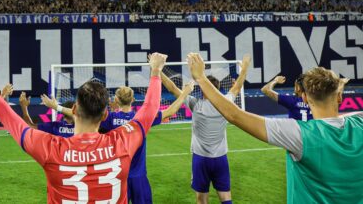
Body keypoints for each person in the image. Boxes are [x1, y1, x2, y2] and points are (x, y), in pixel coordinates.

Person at [0, 51, 192, 202]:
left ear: (75, 109)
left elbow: (11, 119)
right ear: (106, 113)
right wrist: (155, 71)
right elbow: (149, 109)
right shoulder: (123, 141)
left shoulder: (51, 148)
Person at [186, 53, 361, 204]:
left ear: (305, 98)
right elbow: (343, 119)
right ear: (340, 96)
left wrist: (201, 78)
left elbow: (235, 115)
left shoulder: (298, 134)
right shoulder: (359, 122)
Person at [160, 55, 251, 204]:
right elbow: (237, 86)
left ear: (203, 89)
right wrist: (245, 69)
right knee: (226, 197)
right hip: (221, 158)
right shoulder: (226, 103)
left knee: (201, 200)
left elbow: (172, 88)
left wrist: (158, 71)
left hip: (201, 159)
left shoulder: (195, 104)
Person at [100, 85, 193, 204]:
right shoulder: (142, 118)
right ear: (133, 100)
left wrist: (112, 110)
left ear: (116, 100)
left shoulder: (110, 118)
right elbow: (171, 111)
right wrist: (184, 93)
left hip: (118, 176)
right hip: (139, 176)